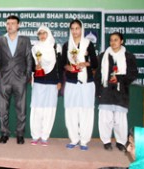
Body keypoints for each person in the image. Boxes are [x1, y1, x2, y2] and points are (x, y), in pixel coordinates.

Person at [95, 32, 138, 151]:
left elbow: (133, 74)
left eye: (116, 40)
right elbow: (98, 75)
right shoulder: (103, 56)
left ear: (122, 41)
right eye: (111, 40)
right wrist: (98, 91)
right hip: (106, 91)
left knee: (120, 119)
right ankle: (106, 141)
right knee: (105, 118)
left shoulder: (128, 56)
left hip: (121, 91)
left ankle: (120, 141)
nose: (113, 42)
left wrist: (119, 78)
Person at [0, 15, 33, 144]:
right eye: (8, 23)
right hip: (4, 79)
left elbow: (29, 59)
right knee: (2, 108)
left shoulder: (25, 40)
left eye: (13, 23)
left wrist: (27, 76)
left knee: (21, 108)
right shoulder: (0, 40)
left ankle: (20, 134)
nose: (10, 26)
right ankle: (4, 132)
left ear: (18, 25)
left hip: (20, 79)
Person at [60, 19, 98, 151]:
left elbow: (95, 63)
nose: (75, 31)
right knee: (71, 111)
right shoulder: (66, 45)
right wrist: (68, 67)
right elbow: (62, 63)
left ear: (82, 29)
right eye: (72, 29)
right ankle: (74, 138)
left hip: (87, 83)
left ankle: (84, 140)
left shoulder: (88, 44)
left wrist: (85, 63)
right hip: (71, 82)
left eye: (77, 28)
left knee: (86, 111)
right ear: (70, 30)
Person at [30, 26, 62, 146]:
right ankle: (35, 135)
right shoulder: (35, 48)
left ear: (49, 34)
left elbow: (59, 65)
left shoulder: (55, 47)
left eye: (44, 33)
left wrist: (59, 81)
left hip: (52, 81)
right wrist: (35, 67)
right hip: (39, 80)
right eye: (40, 33)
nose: (42, 36)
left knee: (49, 110)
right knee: (37, 109)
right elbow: (31, 64)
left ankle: (44, 136)